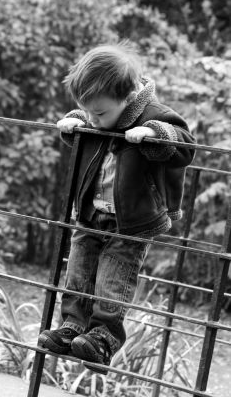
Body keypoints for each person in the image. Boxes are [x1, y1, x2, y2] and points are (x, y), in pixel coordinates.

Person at [38, 42, 196, 374]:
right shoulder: (100, 117)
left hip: (132, 221)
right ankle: (72, 326)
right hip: (91, 213)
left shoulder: (156, 115)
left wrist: (154, 134)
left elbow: (185, 144)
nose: (94, 121)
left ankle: (104, 337)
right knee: (78, 271)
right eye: (88, 112)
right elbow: (90, 133)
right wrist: (74, 123)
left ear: (127, 97)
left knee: (113, 276)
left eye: (100, 113)